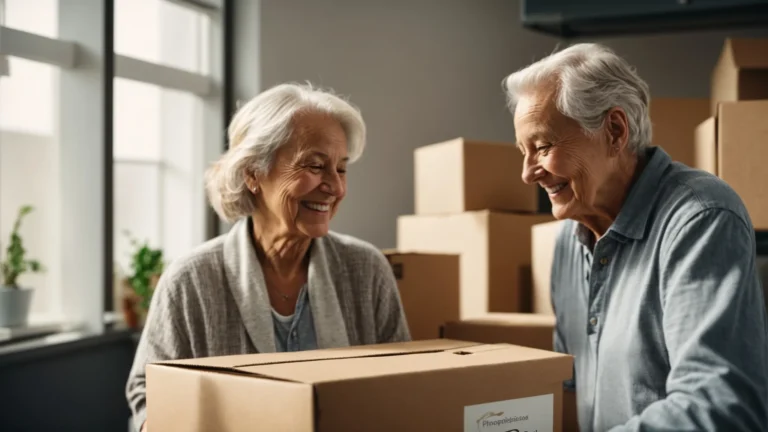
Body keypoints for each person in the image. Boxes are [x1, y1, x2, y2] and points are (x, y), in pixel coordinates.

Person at [503, 43, 768, 431]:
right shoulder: (567, 240)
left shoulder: (700, 218)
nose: (528, 173)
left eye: (542, 146)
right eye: (522, 152)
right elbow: (570, 387)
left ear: (614, 131)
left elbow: (721, 409)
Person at [125, 83, 411, 431]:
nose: (335, 187)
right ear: (253, 173)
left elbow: (402, 386)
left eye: (342, 169)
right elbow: (147, 395)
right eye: (315, 165)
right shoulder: (192, 279)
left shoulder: (366, 270)